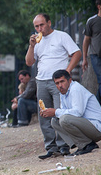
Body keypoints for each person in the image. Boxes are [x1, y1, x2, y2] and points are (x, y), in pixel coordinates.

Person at [26, 13, 82, 159]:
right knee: (44, 114)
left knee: (59, 112)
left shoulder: (61, 36)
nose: (39, 29)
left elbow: (77, 53)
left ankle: (64, 145)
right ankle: (51, 147)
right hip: (41, 80)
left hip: (58, 81)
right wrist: (31, 47)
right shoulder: (36, 42)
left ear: (49, 23)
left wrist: (67, 71)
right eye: (36, 26)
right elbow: (29, 62)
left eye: (42, 25)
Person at [40, 70, 101, 156]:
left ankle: (88, 145)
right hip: (85, 126)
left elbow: (78, 112)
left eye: (62, 81)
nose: (60, 85)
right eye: (57, 83)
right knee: (55, 121)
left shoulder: (75, 89)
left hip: (97, 129)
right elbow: (64, 112)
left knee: (64, 119)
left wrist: (55, 111)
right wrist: (50, 112)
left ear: (70, 80)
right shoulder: (63, 93)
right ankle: (82, 145)